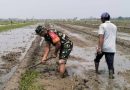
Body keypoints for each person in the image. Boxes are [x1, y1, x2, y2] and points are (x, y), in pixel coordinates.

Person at [94, 12, 117, 79]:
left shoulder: (102, 25)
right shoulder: (114, 26)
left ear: (103, 19)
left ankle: (96, 71)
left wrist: (99, 48)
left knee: (97, 59)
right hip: (111, 48)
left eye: (101, 18)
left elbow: (101, 38)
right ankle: (111, 76)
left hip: (104, 47)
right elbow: (115, 38)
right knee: (110, 64)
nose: (101, 19)